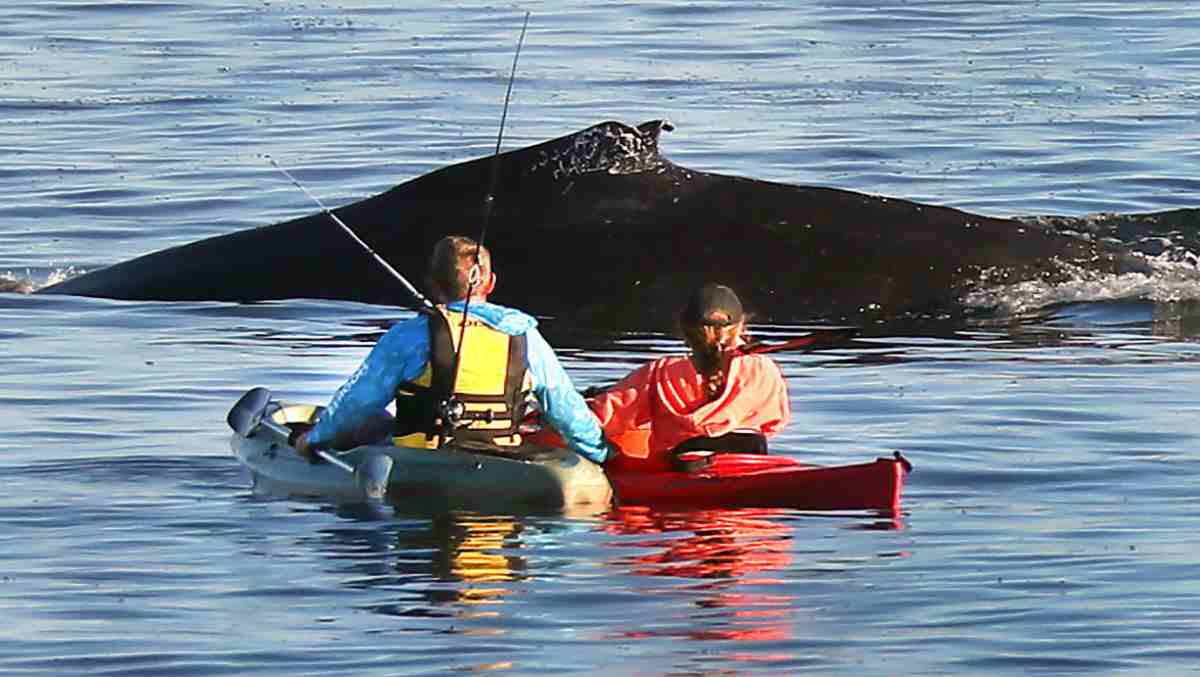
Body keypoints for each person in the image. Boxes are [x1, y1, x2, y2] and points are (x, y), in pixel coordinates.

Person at [296, 235, 612, 466]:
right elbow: (565, 409)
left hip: (419, 462)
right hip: (500, 458)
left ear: (433, 283)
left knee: (373, 420)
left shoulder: (408, 337)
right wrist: (602, 454)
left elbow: (357, 402)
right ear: (491, 283)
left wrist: (313, 439)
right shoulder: (526, 336)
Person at [587, 283, 790, 471]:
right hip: (752, 465)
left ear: (684, 329)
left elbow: (602, 419)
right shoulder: (764, 368)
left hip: (685, 470)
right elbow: (775, 423)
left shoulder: (660, 372)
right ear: (741, 325)